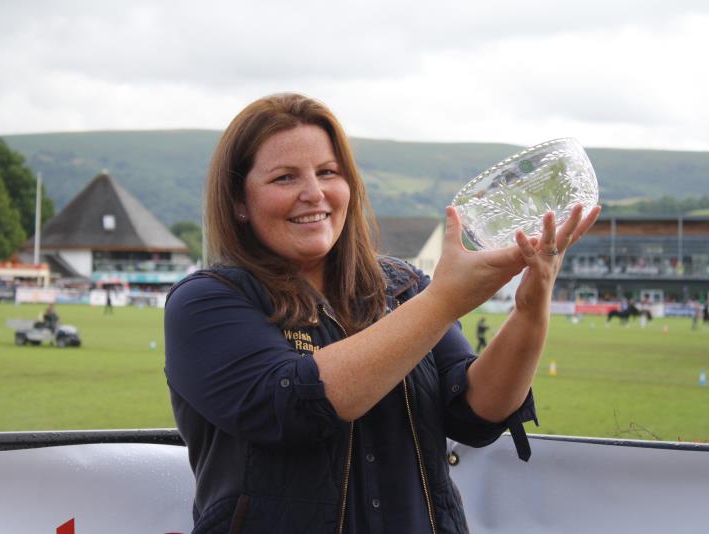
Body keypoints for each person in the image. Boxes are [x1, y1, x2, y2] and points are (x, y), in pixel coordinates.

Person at [164, 93, 601, 534]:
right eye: (283, 178)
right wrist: (444, 302)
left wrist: (531, 304)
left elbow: (475, 413)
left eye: (328, 173)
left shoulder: (402, 286)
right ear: (239, 201)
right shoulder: (206, 301)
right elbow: (295, 407)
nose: (313, 193)